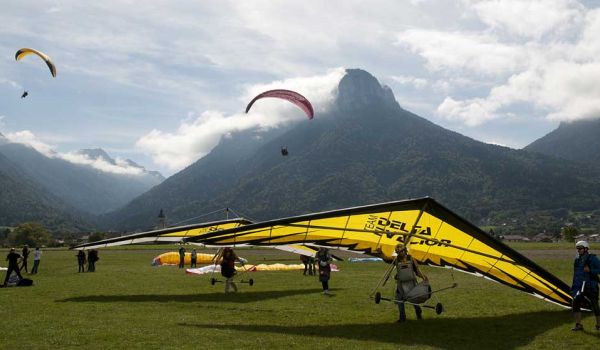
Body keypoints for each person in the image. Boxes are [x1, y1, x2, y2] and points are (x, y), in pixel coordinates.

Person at [570, 240, 600, 331]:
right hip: (579, 286)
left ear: (586, 249)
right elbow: (576, 274)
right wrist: (574, 285)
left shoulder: (592, 258)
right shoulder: (577, 259)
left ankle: (598, 325)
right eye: (577, 249)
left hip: (591, 285)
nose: (578, 250)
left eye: (580, 249)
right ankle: (578, 325)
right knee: (575, 303)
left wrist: (590, 270)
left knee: (595, 305)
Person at [395, 243, 428, 322]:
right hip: (401, 284)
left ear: (405, 251)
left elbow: (417, 270)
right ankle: (402, 318)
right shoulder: (396, 260)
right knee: (400, 300)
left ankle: (418, 313)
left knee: (414, 299)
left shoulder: (411, 259)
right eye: (398, 252)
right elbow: (399, 271)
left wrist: (423, 277)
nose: (399, 254)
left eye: (401, 252)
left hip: (411, 283)